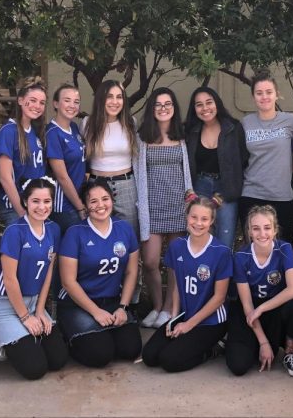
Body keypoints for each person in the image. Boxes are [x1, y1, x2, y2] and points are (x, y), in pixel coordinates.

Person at [0, 178, 68, 379]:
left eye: (47, 201)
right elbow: (10, 279)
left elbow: (49, 271)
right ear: (25, 202)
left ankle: (21, 337)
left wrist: (39, 310)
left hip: (33, 303)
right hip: (6, 305)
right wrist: (25, 317)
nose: (42, 207)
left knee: (58, 360)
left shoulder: (54, 229)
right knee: (34, 369)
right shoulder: (15, 231)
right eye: (35, 201)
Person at [56, 179, 142, 367]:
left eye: (105, 199)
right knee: (100, 356)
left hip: (111, 301)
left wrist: (123, 307)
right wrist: (95, 312)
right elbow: (68, 282)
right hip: (78, 304)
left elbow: (131, 271)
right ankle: (67, 331)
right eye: (93, 201)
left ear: (112, 199)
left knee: (130, 350)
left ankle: (104, 332)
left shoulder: (124, 229)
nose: (100, 205)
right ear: (85, 206)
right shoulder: (75, 233)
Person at [142, 194, 232, 373]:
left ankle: (213, 350)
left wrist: (188, 325)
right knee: (150, 357)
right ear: (186, 217)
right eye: (194, 217)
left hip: (211, 321)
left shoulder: (221, 252)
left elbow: (219, 298)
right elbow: (177, 286)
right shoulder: (178, 246)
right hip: (185, 315)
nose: (198, 223)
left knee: (170, 361)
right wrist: (173, 320)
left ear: (212, 221)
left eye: (204, 219)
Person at [226, 205, 293, 377]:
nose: (262, 234)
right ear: (249, 231)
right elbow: (247, 305)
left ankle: (290, 353)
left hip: (274, 308)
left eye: (267, 228)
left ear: (274, 230)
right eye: (256, 228)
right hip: (250, 313)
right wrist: (263, 342)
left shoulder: (284, 249)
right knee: (238, 366)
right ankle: (248, 342)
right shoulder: (241, 257)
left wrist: (262, 308)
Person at [135, 87, 193, 329]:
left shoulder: (183, 137)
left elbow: (187, 172)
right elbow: (138, 173)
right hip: (152, 207)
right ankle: (157, 306)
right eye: (158, 104)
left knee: (174, 261)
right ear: (152, 109)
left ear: (174, 107)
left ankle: (170, 309)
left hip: (178, 206)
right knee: (149, 261)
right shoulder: (142, 138)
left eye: (167, 104)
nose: (163, 108)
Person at [239, 73, 293, 246]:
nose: (264, 96)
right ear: (253, 97)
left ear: (276, 94)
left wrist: (286, 170)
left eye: (268, 92)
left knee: (283, 247)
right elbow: (240, 158)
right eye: (259, 93)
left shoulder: (290, 121)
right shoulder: (245, 123)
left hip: (281, 195)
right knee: (254, 247)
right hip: (251, 194)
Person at [184, 86, 249, 250]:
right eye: (199, 104)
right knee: (197, 238)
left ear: (217, 103)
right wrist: (188, 191)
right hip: (199, 186)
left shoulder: (233, 128)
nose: (205, 108)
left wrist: (228, 191)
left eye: (209, 102)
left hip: (226, 189)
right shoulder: (189, 131)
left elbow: (242, 161)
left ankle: (222, 276)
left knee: (225, 242)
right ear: (194, 109)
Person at [83, 80, 139, 235]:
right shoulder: (88, 123)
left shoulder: (131, 123)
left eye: (119, 97)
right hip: (97, 184)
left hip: (126, 185)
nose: (115, 102)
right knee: (97, 233)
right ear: (101, 99)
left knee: (128, 233)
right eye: (110, 97)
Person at [0, 79, 47, 226]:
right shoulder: (9, 131)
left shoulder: (36, 131)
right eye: (33, 100)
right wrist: (21, 211)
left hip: (36, 205)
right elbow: (5, 177)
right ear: (20, 100)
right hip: (15, 207)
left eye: (42, 103)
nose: (37, 106)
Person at [45, 84, 88, 234]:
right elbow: (62, 177)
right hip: (64, 205)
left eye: (76, 102)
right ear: (56, 103)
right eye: (67, 100)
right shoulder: (52, 133)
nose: (72, 105)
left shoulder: (75, 128)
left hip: (77, 199)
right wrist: (80, 206)